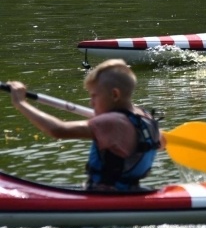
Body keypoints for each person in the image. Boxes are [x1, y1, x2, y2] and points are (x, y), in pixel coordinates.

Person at [6, 59, 162, 191]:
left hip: (105, 197)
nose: (90, 102)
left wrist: (20, 103)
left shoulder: (111, 122)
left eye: (94, 96)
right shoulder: (147, 118)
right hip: (131, 191)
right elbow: (161, 143)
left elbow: (58, 130)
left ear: (115, 95)